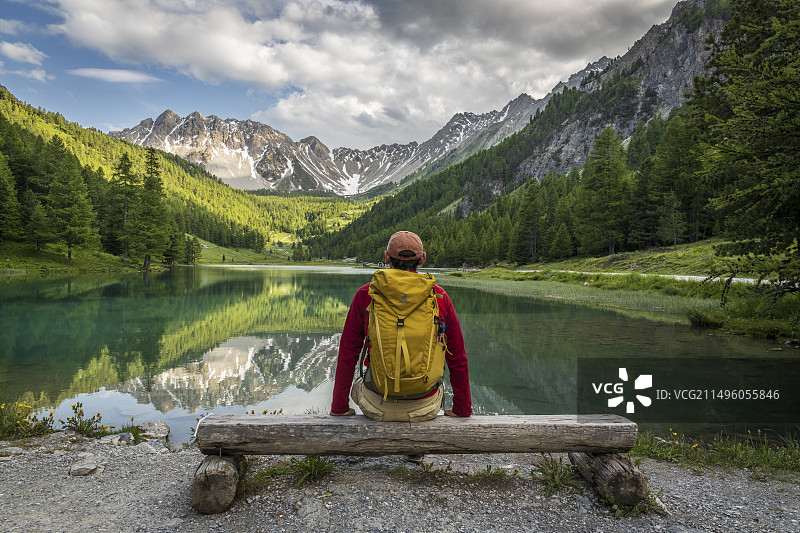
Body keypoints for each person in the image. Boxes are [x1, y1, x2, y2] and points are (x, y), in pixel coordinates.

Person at [330, 230, 472, 424]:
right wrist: (462, 409)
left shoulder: (366, 294)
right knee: (438, 384)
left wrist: (339, 407)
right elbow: (457, 357)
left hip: (376, 407)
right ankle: (415, 451)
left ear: (387, 257)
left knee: (359, 384)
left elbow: (348, 353)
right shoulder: (439, 297)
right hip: (424, 409)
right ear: (422, 259)